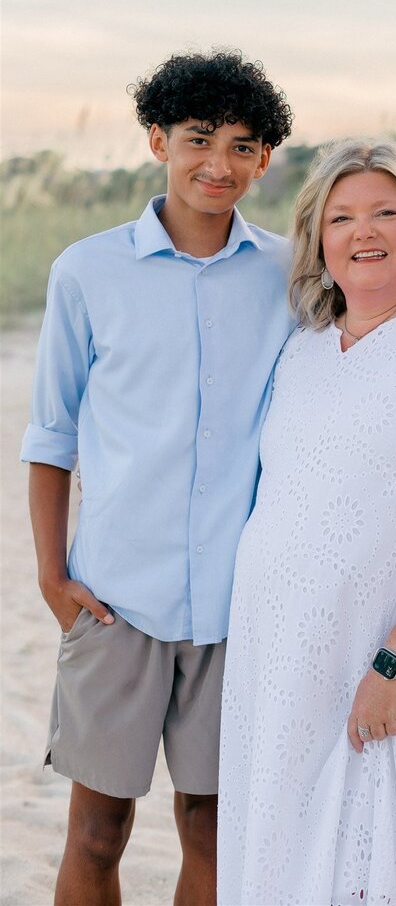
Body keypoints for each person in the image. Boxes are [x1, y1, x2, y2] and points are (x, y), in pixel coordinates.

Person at [21, 50, 295, 906]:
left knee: (213, 829)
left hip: (235, 607)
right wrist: (52, 575)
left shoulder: (291, 273)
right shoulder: (87, 271)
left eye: (244, 146)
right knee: (97, 832)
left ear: (264, 160)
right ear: (158, 140)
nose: (219, 163)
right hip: (116, 598)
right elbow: (52, 434)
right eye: (199, 138)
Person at [218, 139, 396, 906]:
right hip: (277, 658)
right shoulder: (304, 350)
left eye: (386, 211)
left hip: (385, 660)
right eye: (341, 217)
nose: (363, 231)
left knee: (378, 861)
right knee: (281, 853)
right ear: (319, 241)